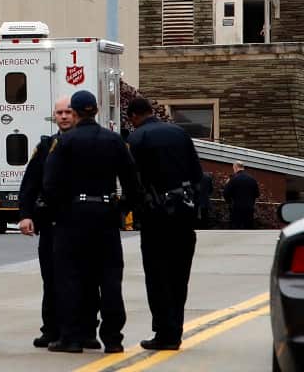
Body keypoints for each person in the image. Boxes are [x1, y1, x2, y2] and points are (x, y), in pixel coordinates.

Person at [43, 90, 140, 355]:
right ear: (96, 110)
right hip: (105, 214)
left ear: (73, 112)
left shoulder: (65, 142)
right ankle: (113, 338)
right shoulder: (114, 141)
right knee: (109, 277)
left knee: (71, 277)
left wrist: (61, 210)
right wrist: (122, 208)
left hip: (73, 216)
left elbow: (50, 184)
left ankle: (72, 337)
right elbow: (132, 181)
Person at [18, 96, 100, 350]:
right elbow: (30, 183)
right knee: (51, 277)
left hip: (86, 223)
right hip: (53, 224)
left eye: (68, 112)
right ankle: (51, 328)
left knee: (88, 278)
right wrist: (25, 214)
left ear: (76, 114)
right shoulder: (46, 146)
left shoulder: (91, 142)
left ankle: (87, 330)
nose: (64, 116)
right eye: (59, 113)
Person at [126, 96, 204, 351]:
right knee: (179, 276)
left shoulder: (137, 138)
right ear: (151, 111)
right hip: (184, 214)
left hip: (156, 217)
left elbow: (132, 181)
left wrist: (128, 209)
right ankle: (176, 331)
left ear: (134, 117)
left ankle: (164, 332)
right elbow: (197, 174)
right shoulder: (180, 133)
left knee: (157, 276)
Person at [223, 162, 261, 229]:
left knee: (236, 228)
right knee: (248, 228)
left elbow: (226, 193)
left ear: (235, 167)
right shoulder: (252, 179)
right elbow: (257, 194)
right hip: (249, 208)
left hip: (236, 208)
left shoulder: (233, 179)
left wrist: (229, 203)